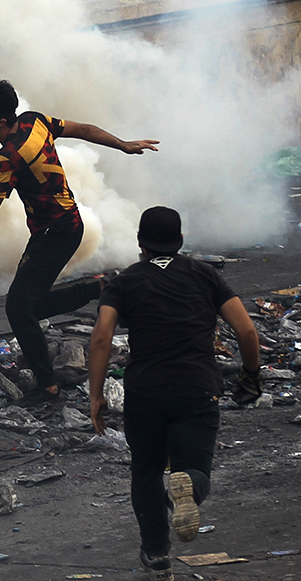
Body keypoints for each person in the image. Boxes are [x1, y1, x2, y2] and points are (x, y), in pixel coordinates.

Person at [0, 76, 159, 406]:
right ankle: (101, 288)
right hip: (67, 224)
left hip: (56, 232)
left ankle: (48, 387)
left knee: (18, 308)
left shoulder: (9, 157)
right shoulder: (34, 121)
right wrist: (123, 144)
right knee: (30, 305)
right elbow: (83, 130)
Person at [88, 206, 261, 581]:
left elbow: (101, 338)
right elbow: (247, 332)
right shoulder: (206, 275)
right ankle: (188, 489)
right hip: (196, 389)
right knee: (194, 467)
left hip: (144, 391)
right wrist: (250, 375)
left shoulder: (124, 281)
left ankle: (156, 555)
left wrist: (96, 395)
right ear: (181, 240)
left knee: (146, 470)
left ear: (139, 243)